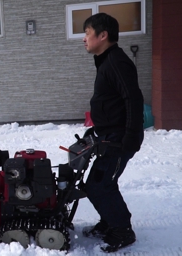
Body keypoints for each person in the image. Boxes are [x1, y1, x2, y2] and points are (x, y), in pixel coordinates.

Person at [81, 13, 144, 253]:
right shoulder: (107, 61)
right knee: (99, 183)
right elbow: (113, 103)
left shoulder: (117, 61)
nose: (84, 39)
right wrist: (96, 131)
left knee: (101, 186)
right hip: (109, 137)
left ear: (103, 35)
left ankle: (122, 232)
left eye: (87, 33)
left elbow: (133, 99)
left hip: (120, 139)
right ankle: (110, 221)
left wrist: (130, 136)